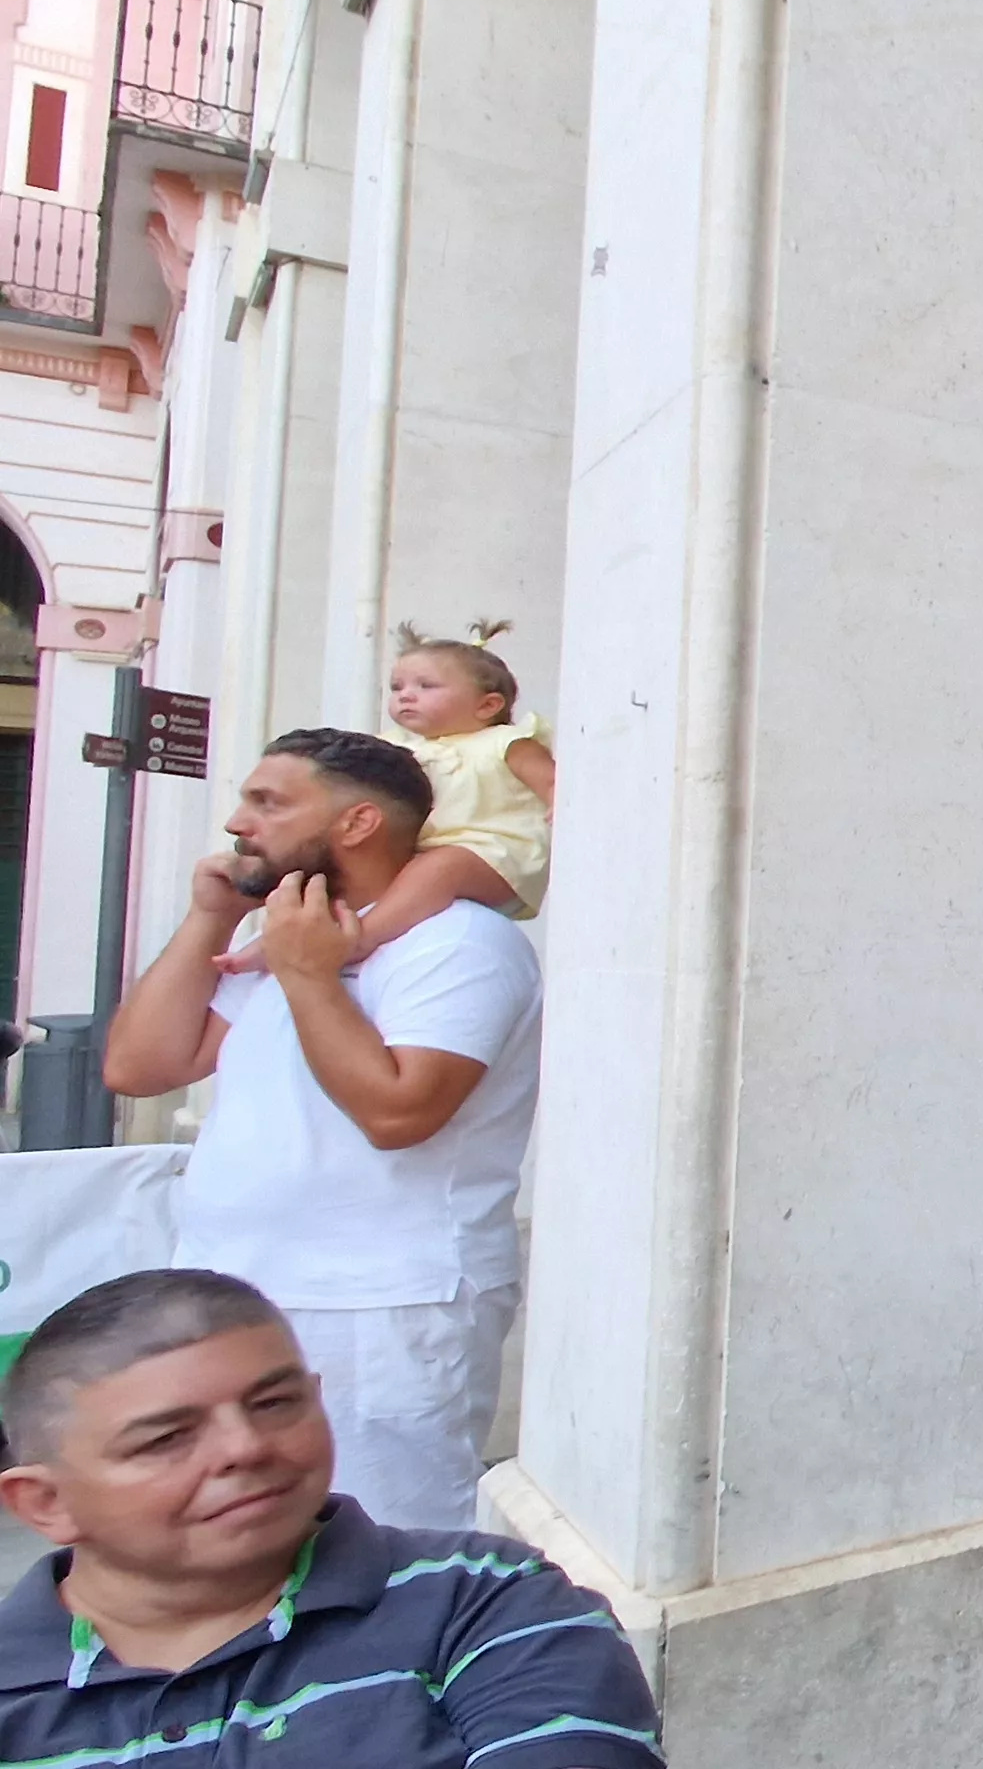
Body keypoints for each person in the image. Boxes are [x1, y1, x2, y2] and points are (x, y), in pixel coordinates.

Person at [101, 730, 544, 1535]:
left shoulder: (462, 945)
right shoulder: (290, 937)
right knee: (248, 1538)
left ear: (358, 823)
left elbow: (398, 1113)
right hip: (229, 1291)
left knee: (384, 1547)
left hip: (377, 1308)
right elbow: (142, 1067)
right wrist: (210, 921)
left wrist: (307, 973)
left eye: (269, 802)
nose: (239, 822)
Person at [0, 1269, 658, 1767]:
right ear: (46, 1504)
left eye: (275, 1403)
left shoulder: (483, 1599)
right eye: (167, 1438)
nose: (246, 1448)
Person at [213, 624, 555, 977]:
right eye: (397, 687)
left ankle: (362, 940)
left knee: (442, 866)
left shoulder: (506, 742)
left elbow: (551, 780)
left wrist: (555, 804)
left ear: (488, 705)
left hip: (494, 854)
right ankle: (270, 944)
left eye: (426, 686)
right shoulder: (399, 747)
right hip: (423, 858)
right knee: (341, 883)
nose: (406, 695)